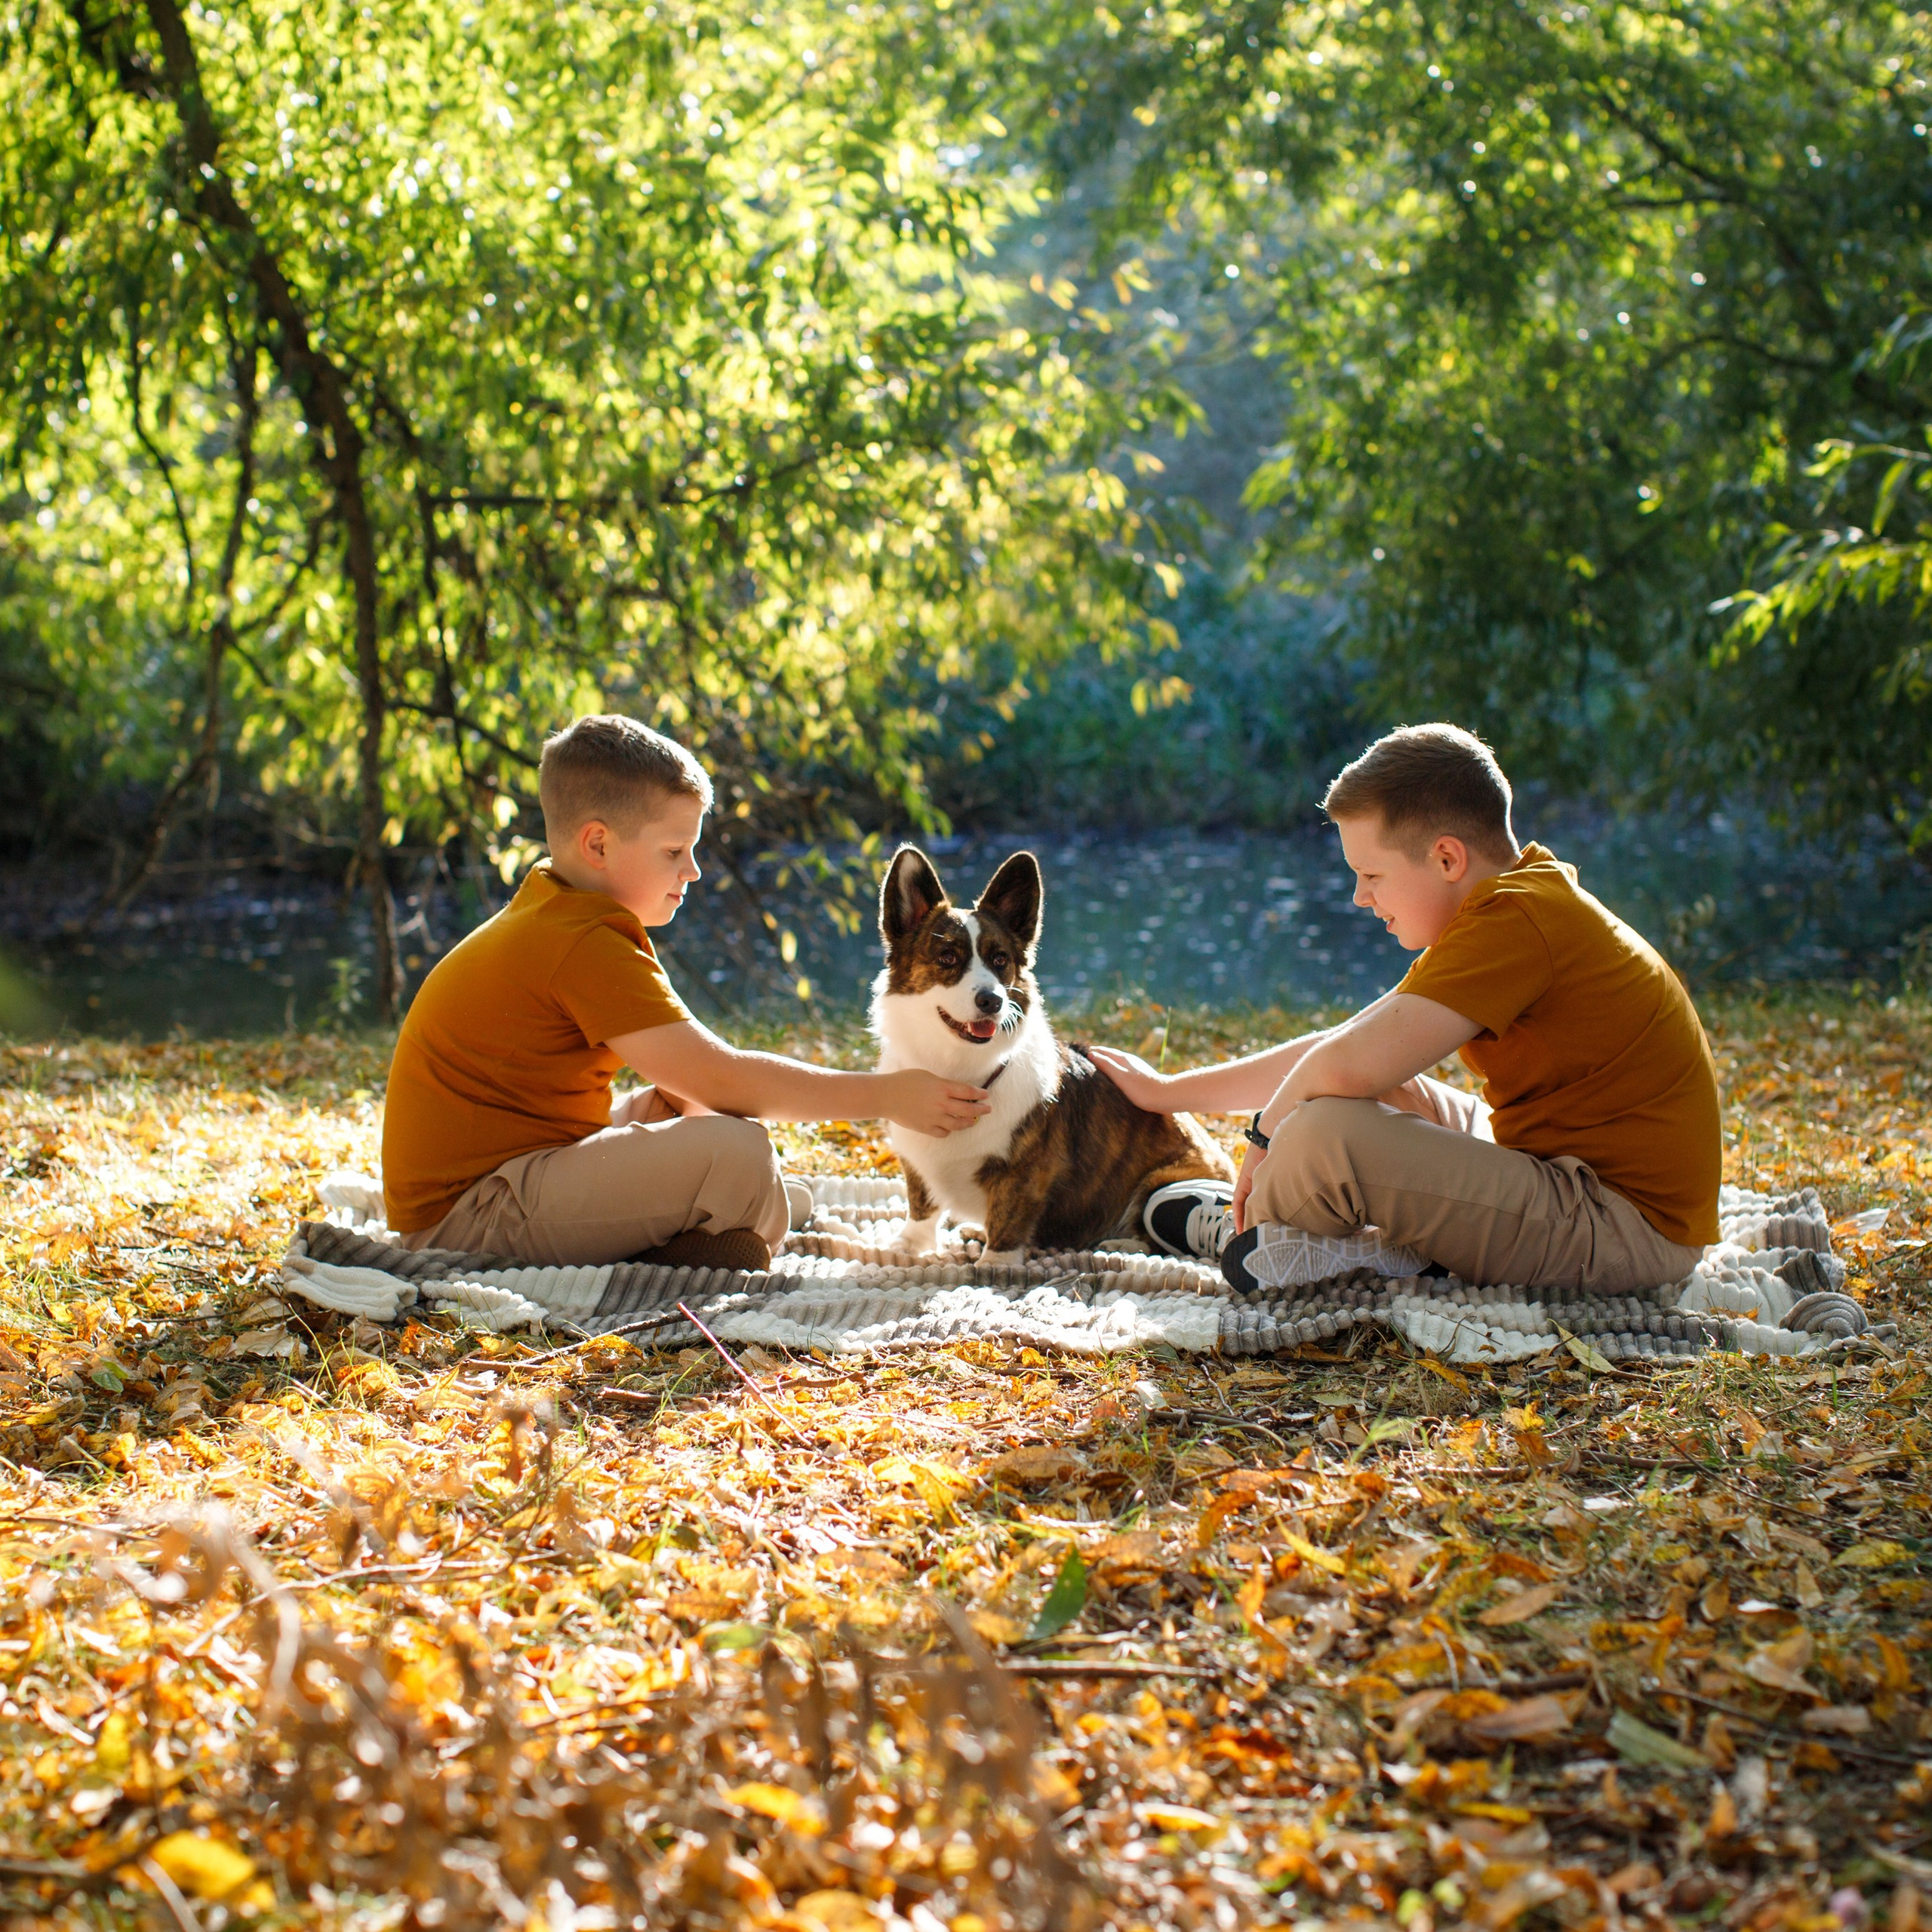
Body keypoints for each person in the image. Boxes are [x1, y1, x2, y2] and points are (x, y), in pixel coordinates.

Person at [1091, 723, 1721, 1294]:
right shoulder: (1513, 904)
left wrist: (1263, 1136)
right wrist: (1166, 1092)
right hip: (1564, 1179)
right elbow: (1343, 1047)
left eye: (1371, 875)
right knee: (1376, 1090)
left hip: (1622, 1231)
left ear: (1447, 858)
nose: (1360, 898)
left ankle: (1250, 1230)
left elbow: (1339, 1071)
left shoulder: (1519, 920)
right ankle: (1353, 1246)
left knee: (1323, 1134)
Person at [380, 714, 989, 1269]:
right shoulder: (580, 940)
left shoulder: (558, 909)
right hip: (468, 1218)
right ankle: (737, 1213)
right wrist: (887, 1094)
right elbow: (720, 1077)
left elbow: (690, 1083)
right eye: (674, 851)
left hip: (517, 1169)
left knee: (682, 1108)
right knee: (737, 1153)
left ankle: (732, 1216)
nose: (692, 871)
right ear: (597, 844)